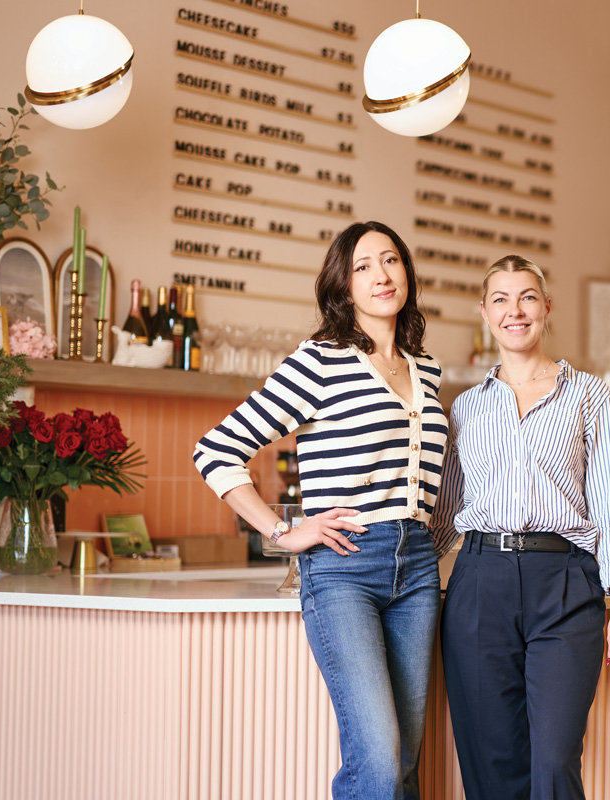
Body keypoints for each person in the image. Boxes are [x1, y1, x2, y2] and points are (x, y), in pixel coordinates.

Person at [193, 221, 448, 800]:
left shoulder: (425, 369)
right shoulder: (321, 360)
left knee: (406, 761)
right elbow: (216, 449)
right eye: (362, 266)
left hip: (417, 568)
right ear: (344, 285)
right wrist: (283, 532)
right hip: (345, 568)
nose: (381, 275)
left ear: (407, 272)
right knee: (379, 762)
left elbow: (435, 478)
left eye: (390, 261)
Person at [431, 254, 610, 800]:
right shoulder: (465, 410)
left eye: (527, 297)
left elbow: (609, 508)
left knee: (553, 762)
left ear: (547, 308)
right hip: (479, 583)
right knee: (491, 767)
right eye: (500, 299)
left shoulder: (591, 396)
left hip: (565, 584)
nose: (515, 311)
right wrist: (387, 573)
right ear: (484, 313)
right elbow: (446, 514)